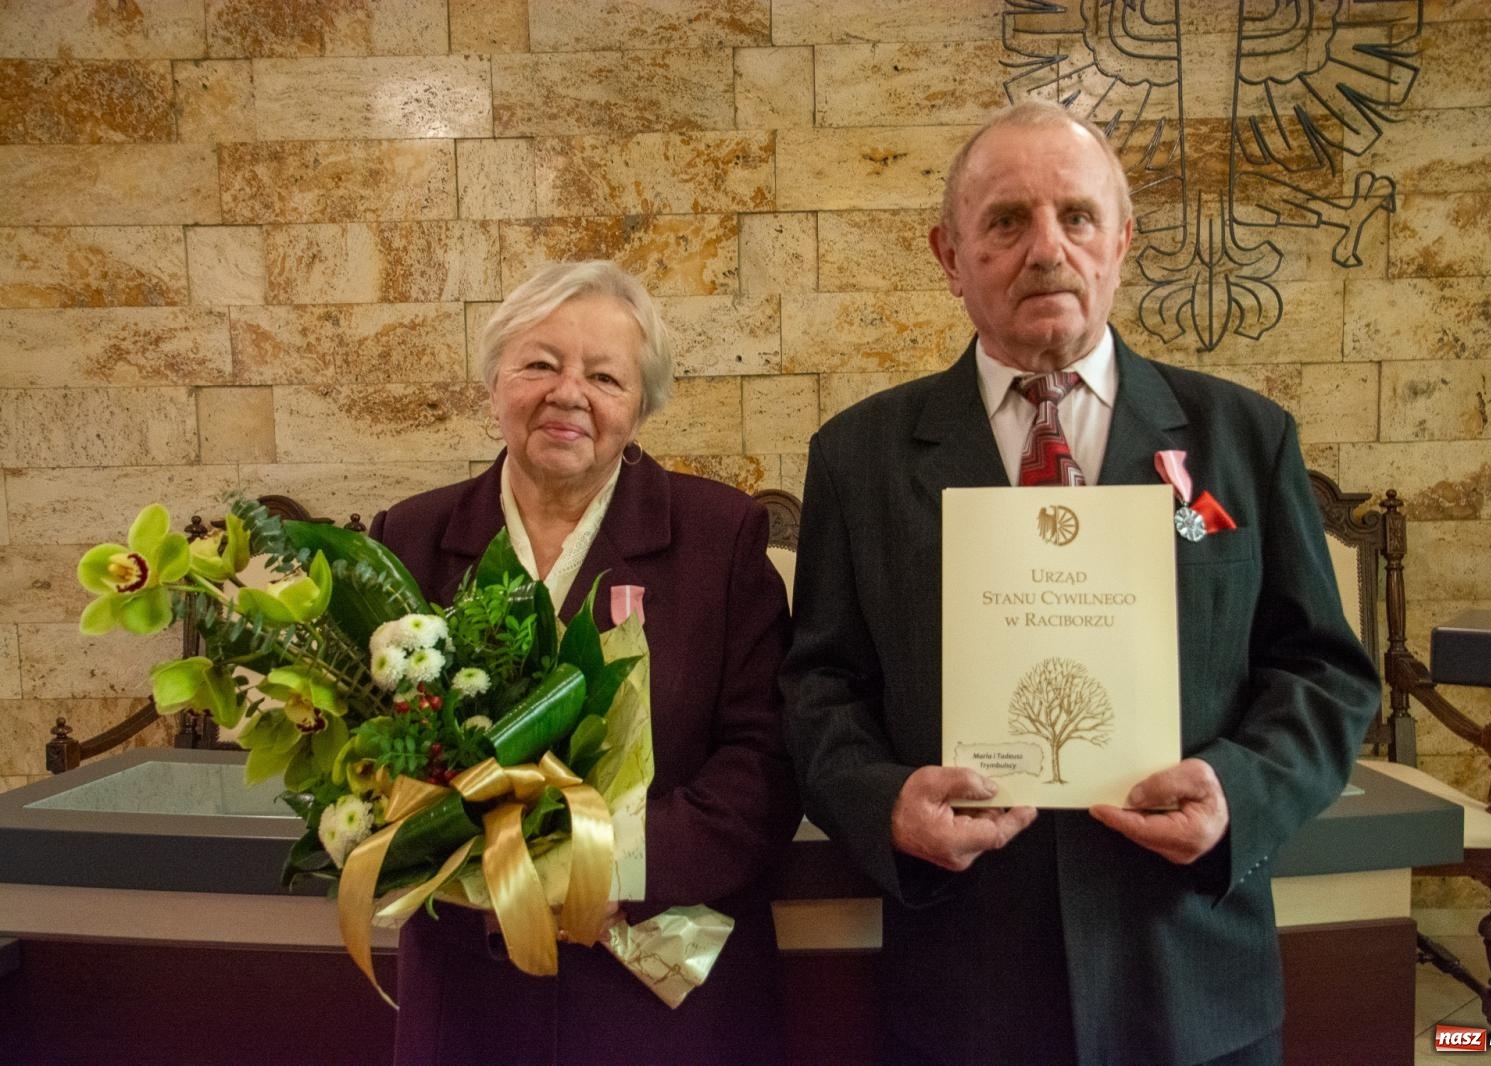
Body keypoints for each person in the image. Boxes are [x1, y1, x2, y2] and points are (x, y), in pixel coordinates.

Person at [780, 100, 1380, 1065]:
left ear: (1122, 242)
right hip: (965, 989)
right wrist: (885, 806)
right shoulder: (859, 457)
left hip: (1190, 979)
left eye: (1078, 216)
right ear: (949, 255)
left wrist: (1237, 794)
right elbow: (819, 687)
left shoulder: (1244, 438)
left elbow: (1325, 673)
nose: (1047, 249)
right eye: (1007, 221)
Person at [369, 260, 800, 1066]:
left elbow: (766, 765)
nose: (568, 394)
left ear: (641, 407)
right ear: (493, 384)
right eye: (539, 364)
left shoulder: (720, 539)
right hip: (473, 1000)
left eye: (604, 376)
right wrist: (475, 869)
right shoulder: (411, 539)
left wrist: (599, 866)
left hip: (662, 1009)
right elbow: (366, 755)